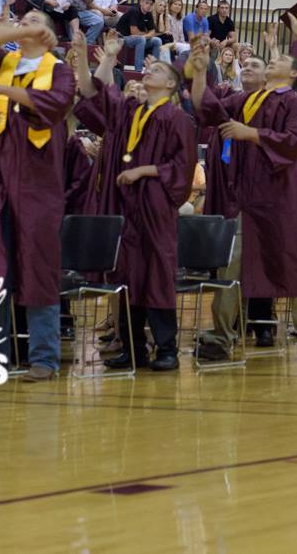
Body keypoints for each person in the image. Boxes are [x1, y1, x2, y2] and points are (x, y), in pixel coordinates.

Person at [189, 19, 297, 364]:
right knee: (232, 265)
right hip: (247, 200)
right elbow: (207, 109)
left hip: (283, 198)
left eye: (279, 59)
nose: (272, 60)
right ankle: (220, 337)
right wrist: (197, 71)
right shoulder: (245, 100)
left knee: (295, 262)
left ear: (295, 74)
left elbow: (296, 143)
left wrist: (250, 134)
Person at [0, 14, 78, 381]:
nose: (28, 22)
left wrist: (1, 92)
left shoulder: (59, 71)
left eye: (37, 20)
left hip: (37, 183)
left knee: (39, 268)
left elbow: (51, 104)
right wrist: (20, 32)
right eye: (24, 19)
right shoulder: (2, 63)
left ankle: (44, 358)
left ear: (52, 37)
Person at [74, 35, 201, 370]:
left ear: (171, 84)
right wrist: (108, 59)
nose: (147, 71)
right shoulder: (133, 111)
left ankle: (167, 349)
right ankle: (133, 348)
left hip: (156, 205)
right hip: (128, 204)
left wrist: (144, 170)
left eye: (156, 70)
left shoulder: (178, 120)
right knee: (130, 273)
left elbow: (183, 167)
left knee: (156, 274)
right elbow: (102, 95)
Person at [117, 0, 166, 72]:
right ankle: (138, 71)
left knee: (157, 40)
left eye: (151, 4)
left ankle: (153, 70)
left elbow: (152, 32)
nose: (149, 6)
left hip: (135, 38)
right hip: (122, 37)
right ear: (141, 2)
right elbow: (134, 31)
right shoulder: (134, 10)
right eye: (147, 3)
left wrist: (145, 35)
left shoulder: (148, 14)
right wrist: (146, 35)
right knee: (141, 40)